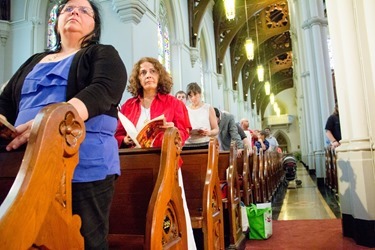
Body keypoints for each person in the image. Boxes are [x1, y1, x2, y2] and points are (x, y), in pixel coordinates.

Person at [0, 0, 128, 249]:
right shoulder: (35, 60)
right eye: (68, 9)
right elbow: (6, 100)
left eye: (83, 10)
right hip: (21, 163)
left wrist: (49, 123)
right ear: (57, 22)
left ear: (95, 24)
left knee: (84, 242)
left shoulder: (102, 53)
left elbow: (104, 89)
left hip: (82, 161)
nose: (74, 13)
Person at [114, 57, 196, 249]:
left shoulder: (174, 103)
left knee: (172, 212)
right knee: (140, 212)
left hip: (166, 164)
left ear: (160, 75)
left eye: (152, 71)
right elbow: (117, 134)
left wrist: (171, 130)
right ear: (138, 78)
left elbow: (184, 132)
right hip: (136, 166)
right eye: (143, 72)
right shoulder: (128, 106)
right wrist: (123, 140)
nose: (148, 75)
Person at [184, 82, 218, 149]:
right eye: (190, 96)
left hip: (205, 143)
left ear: (200, 94)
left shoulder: (208, 108)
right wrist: (188, 132)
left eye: (195, 95)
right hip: (188, 144)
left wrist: (209, 132)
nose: (193, 98)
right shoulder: (185, 109)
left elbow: (216, 129)